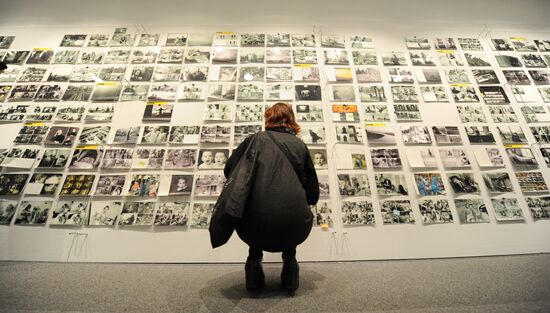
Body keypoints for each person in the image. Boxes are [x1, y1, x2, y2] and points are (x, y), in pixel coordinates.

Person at [223, 102, 319, 292]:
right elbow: (313, 194)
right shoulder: (300, 145)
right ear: (292, 120)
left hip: (252, 227)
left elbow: (228, 170)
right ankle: (290, 263)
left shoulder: (253, 140)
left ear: (268, 118)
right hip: (295, 226)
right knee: (289, 215)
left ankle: (253, 262)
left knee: (256, 214)